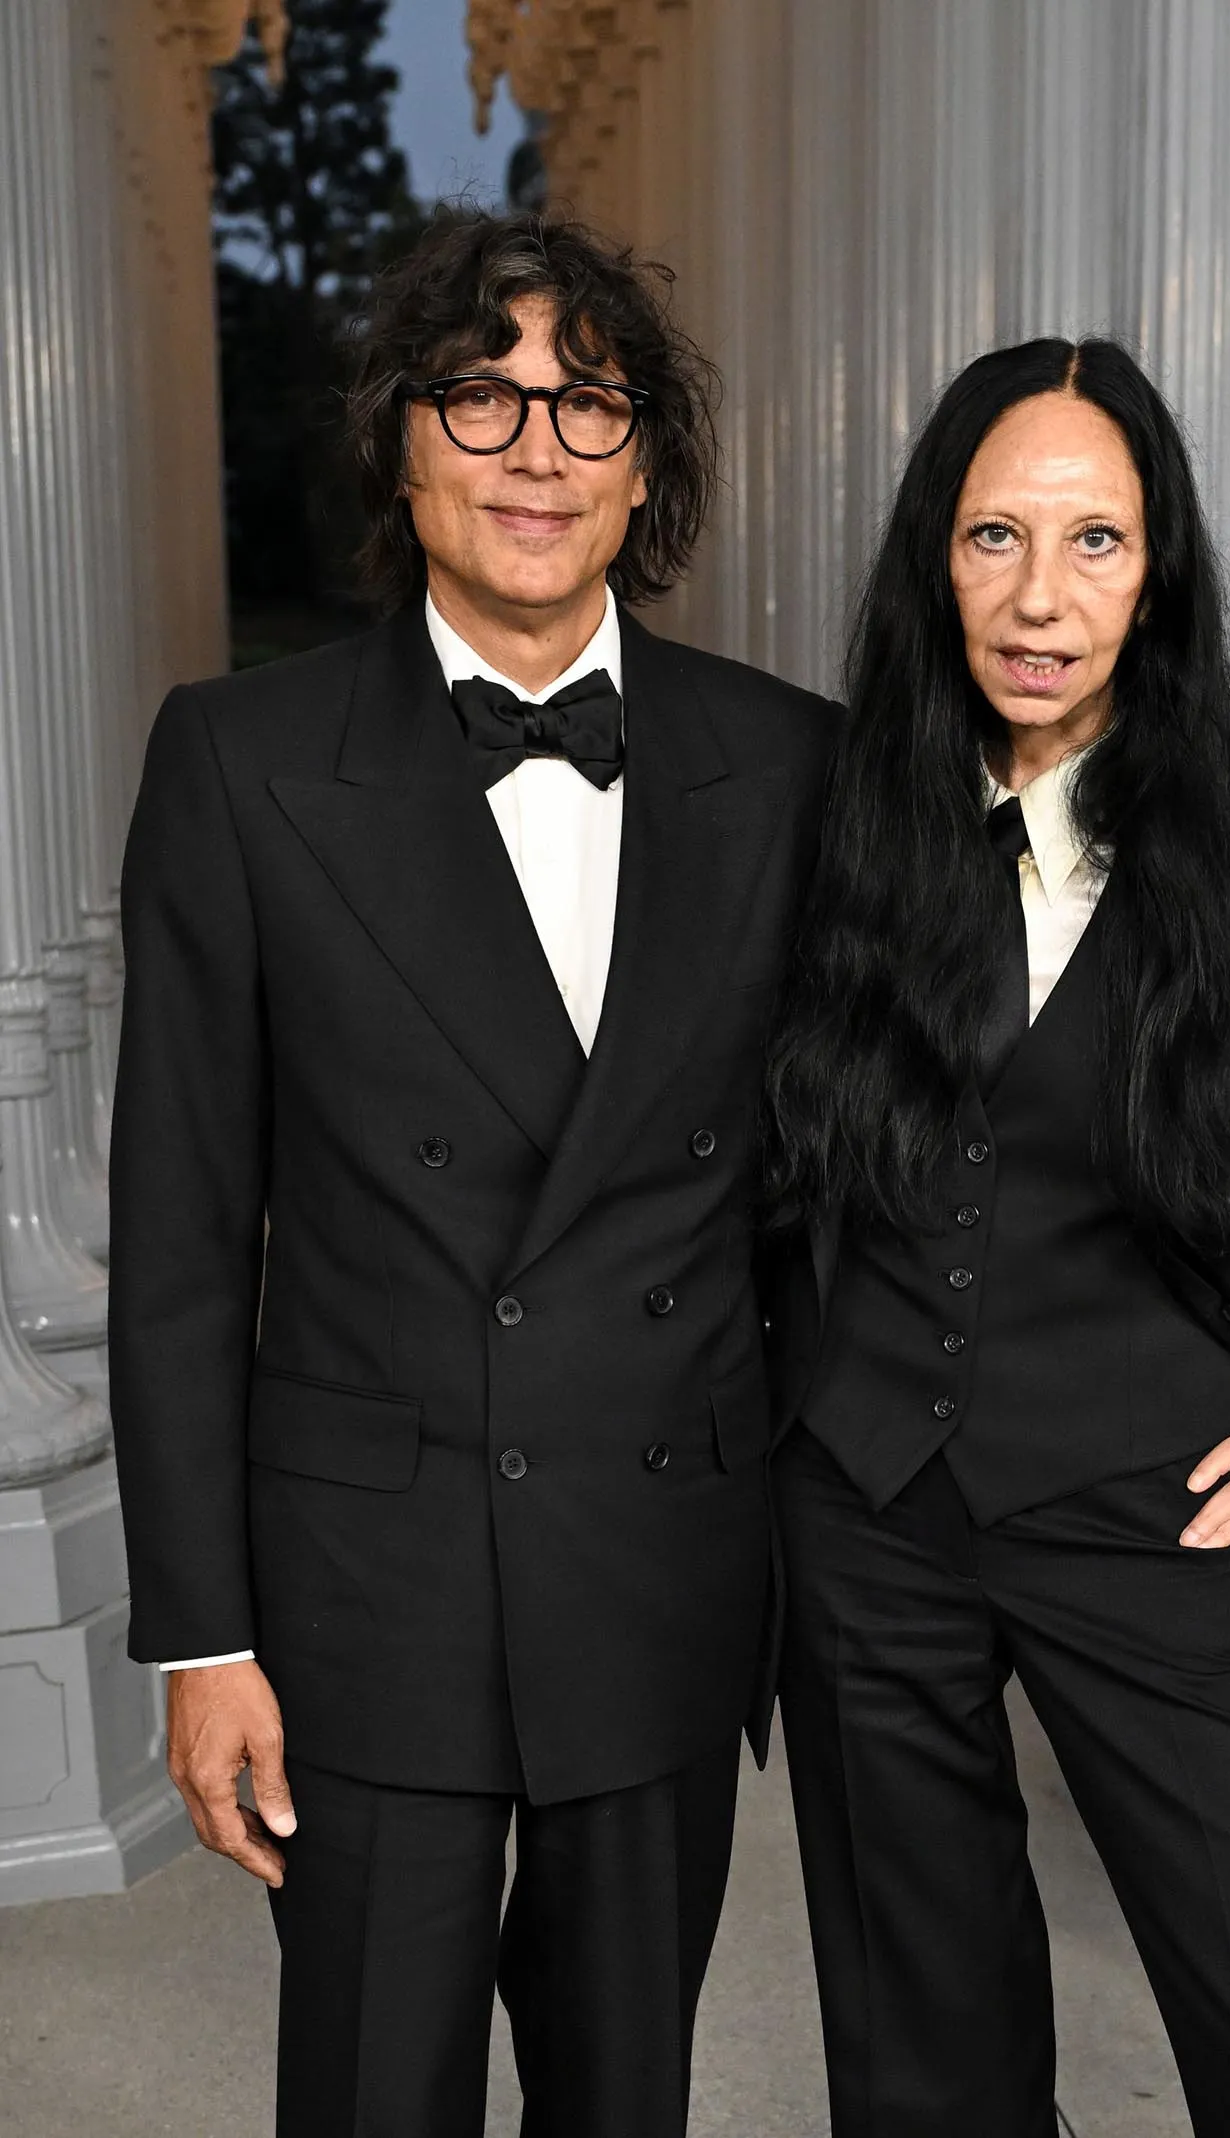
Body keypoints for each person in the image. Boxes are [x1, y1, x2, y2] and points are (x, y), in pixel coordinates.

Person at [108, 209, 835, 2138]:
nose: (537, 450)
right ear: (400, 443)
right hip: (370, 1594)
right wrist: (203, 1634)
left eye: (589, 404)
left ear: (646, 465)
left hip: (658, 1562)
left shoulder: (788, 763)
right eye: (480, 397)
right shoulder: (242, 759)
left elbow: (834, 1200)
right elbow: (180, 1239)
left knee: (625, 2102)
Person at [761, 337, 1230, 2138]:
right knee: (925, 2065)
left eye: (1095, 540)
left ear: (1158, 568)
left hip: (1158, 1503)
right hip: (867, 1513)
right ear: (934, 559)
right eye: (995, 537)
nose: (1042, 597)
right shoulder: (842, 814)